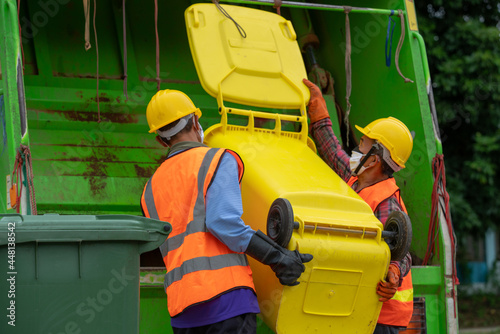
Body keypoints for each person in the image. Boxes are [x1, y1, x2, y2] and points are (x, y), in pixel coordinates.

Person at [140, 89, 313, 334]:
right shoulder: (215, 159)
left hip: (183, 311)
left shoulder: (150, 189)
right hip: (226, 300)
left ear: (160, 139)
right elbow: (223, 223)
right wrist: (278, 258)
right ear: (195, 121)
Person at [303, 79, 414, 334]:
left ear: (373, 159)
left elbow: (402, 250)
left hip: (382, 315)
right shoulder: (357, 179)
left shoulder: (386, 200)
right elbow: (331, 150)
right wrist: (317, 106)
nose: (356, 147)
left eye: (362, 143)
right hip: (362, 307)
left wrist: (395, 271)